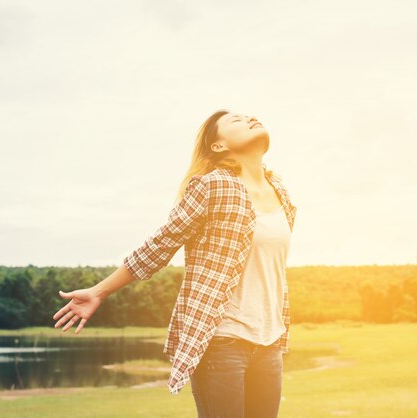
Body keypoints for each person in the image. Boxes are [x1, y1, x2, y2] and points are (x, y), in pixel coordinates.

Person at [52, 109, 297, 418]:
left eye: (249, 116)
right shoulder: (212, 186)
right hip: (221, 339)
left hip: (269, 342)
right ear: (219, 146)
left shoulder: (282, 195)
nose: (250, 119)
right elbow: (160, 245)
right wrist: (99, 292)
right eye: (237, 121)